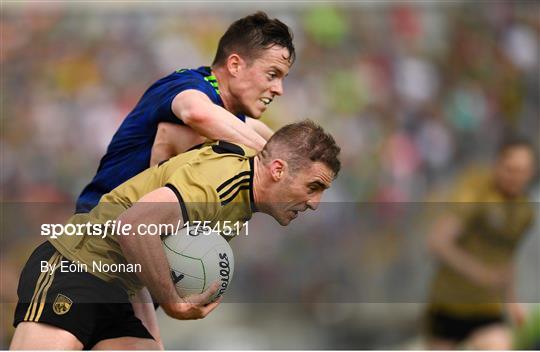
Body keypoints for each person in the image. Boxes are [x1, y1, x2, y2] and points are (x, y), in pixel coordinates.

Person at [10, 120, 341, 350]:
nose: (315, 203)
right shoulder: (218, 186)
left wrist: (155, 338)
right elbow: (134, 226)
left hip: (117, 289)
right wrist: (172, 301)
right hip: (74, 268)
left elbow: (140, 259)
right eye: (313, 187)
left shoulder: (240, 202)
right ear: (278, 170)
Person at [76, 11, 295, 214]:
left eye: (282, 79)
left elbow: (276, 142)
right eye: (272, 74)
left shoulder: (232, 117)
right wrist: (271, 160)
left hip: (131, 236)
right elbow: (196, 114)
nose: (279, 89)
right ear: (235, 65)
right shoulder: (186, 84)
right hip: (93, 230)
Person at [425, 139, 537, 349]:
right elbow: (438, 241)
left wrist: (512, 301)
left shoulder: (525, 211)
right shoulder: (475, 191)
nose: (515, 177)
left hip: (487, 308)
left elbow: (507, 257)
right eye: (510, 169)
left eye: (522, 171)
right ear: (497, 164)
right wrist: (480, 273)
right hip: (449, 303)